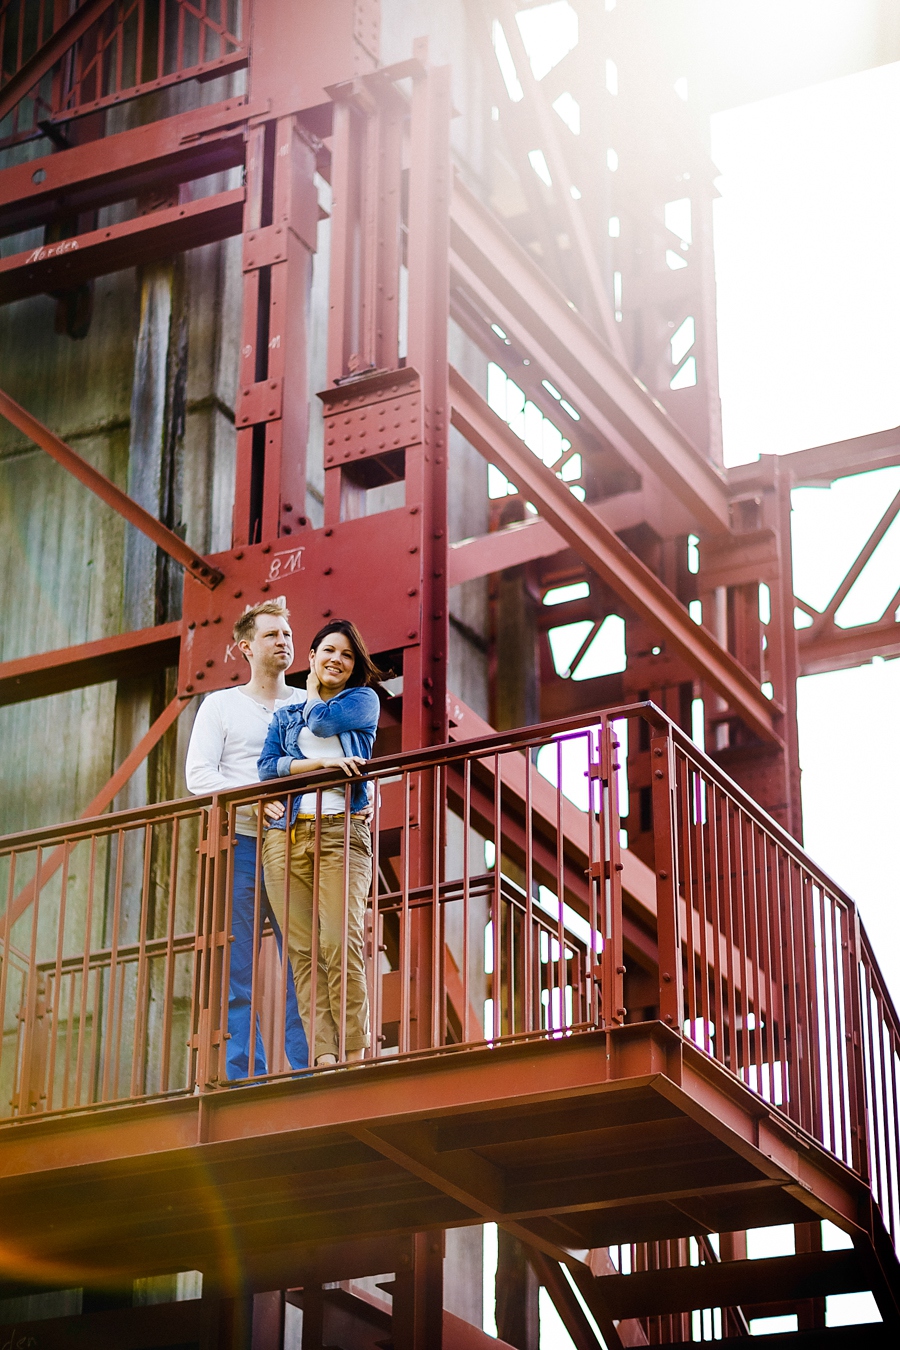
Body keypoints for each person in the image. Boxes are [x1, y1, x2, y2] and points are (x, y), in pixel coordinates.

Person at [184, 600, 309, 1080]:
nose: (283, 641)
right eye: (272, 635)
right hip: (239, 845)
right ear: (245, 647)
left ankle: (309, 1070)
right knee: (233, 964)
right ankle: (241, 1074)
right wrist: (252, 800)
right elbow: (199, 775)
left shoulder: (307, 704)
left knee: (302, 961)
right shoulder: (220, 705)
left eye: (287, 634)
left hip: (296, 846)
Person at [258, 620, 381, 1067]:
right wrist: (318, 767)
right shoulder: (283, 716)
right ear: (311, 656)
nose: (337, 660)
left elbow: (324, 722)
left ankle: (352, 1053)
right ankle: (324, 1057)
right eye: (328, 651)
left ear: (353, 667)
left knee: (338, 942)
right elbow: (267, 768)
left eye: (347, 655)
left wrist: (310, 692)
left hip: (340, 833)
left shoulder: (362, 701)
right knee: (303, 954)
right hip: (285, 839)